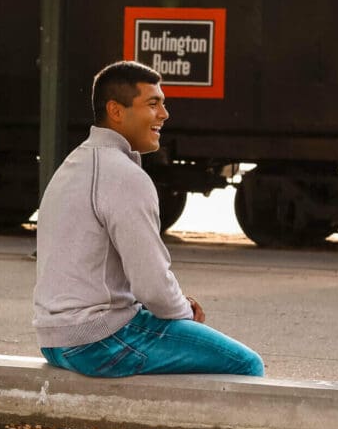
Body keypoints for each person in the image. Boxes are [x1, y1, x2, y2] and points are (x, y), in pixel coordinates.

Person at [33, 60, 264, 377]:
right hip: (98, 340)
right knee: (246, 365)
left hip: (55, 339)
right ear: (116, 111)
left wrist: (175, 306)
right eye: (153, 104)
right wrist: (184, 313)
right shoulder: (124, 176)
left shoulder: (76, 163)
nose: (164, 114)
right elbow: (152, 285)